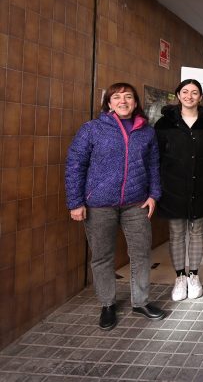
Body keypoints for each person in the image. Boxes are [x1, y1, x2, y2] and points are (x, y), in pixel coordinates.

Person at [65, 82, 165, 330]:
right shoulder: (92, 129)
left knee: (141, 253)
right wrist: (75, 202)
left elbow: (154, 165)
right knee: (102, 256)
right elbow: (75, 165)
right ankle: (107, 304)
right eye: (117, 97)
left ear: (135, 102)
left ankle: (140, 301)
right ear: (108, 103)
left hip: (136, 203)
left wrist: (154, 194)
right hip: (99, 205)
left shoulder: (146, 131)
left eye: (128, 97)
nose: (123, 101)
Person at [154, 79, 203, 302]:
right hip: (172, 187)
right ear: (178, 95)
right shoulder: (164, 124)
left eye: (194, 92)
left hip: (202, 186)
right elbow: (156, 157)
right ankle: (180, 277)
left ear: (200, 97)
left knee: (197, 232)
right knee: (176, 233)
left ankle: (194, 275)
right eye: (185, 92)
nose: (189, 96)